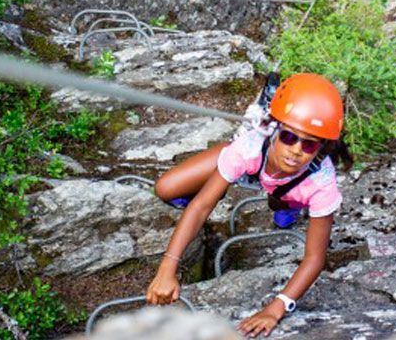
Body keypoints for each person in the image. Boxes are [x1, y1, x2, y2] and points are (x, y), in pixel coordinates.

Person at [146, 73, 352, 338]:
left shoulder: (322, 184)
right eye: (289, 137)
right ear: (274, 129)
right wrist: (167, 269)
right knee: (166, 188)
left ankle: (287, 204)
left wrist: (276, 308)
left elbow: (315, 258)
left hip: (293, 186)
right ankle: (225, 178)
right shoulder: (250, 145)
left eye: (309, 144)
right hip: (253, 163)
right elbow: (200, 206)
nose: (296, 149)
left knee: (282, 200)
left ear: (321, 148)